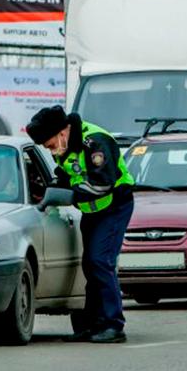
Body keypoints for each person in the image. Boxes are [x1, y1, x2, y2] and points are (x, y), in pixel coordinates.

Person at [26, 105, 135, 344]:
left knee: (100, 261)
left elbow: (101, 183)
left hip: (114, 206)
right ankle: (92, 325)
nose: (50, 150)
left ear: (62, 133)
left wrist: (69, 196)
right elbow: (66, 175)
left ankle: (113, 326)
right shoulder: (65, 146)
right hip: (92, 210)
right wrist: (48, 190)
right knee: (89, 264)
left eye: (51, 144)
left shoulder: (94, 142)